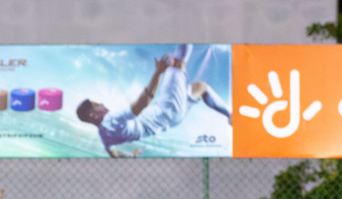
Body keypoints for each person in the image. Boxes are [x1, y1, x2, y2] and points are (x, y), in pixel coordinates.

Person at [75, 45, 231, 157]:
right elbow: (143, 103)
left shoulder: (104, 135)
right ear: (93, 115)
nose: (102, 104)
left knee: (201, 87)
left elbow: (113, 153)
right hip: (167, 109)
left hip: (173, 120)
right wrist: (158, 72)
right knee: (178, 63)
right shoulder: (112, 119)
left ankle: (230, 115)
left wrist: (129, 157)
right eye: (98, 105)